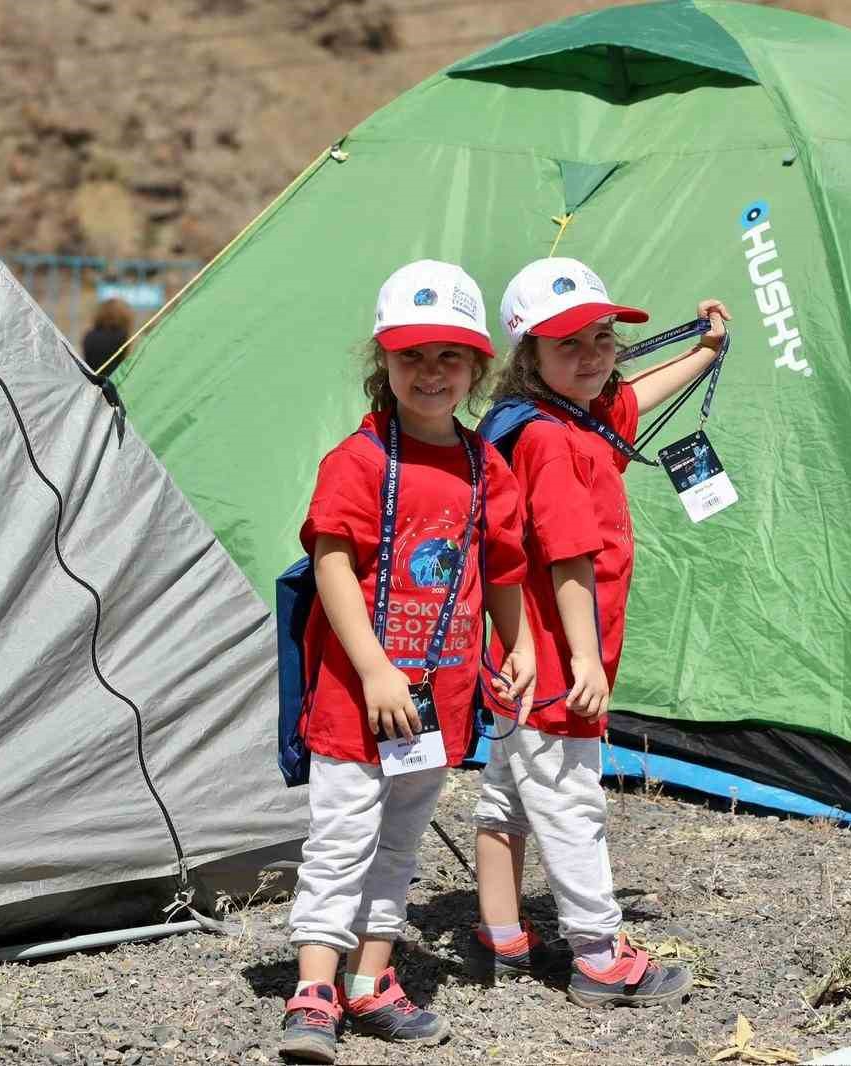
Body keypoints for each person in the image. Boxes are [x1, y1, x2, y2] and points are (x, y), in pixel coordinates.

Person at [278, 260, 536, 1064]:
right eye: (412, 356)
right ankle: (315, 988)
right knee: (341, 838)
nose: (430, 373)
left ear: (476, 370)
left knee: (400, 842)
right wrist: (376, 668)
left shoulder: (485, 468)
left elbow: (501, 571)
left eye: (449, 358)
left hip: (440, 698)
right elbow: (330, 565)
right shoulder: (355, 462)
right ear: (381, 364)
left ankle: (372, 978)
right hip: (358, 701)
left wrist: (518, 646)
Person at [470, 257, 729, 1007]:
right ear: (530, 357)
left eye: (602, 339)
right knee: (570, 798)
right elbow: (567, 556)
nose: (591, 358)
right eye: (568, 345)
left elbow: (627, 400)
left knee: (509, 794)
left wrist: (704, 354)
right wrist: (584, 656)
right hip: (554, 658)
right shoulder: (549, 442)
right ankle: (597, 953)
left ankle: (501, 934)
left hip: (515, 658)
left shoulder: (553, 417)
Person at [80, 298, 132, 373]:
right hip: (112, 379)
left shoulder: (89, 335)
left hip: (91, 378)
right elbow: (123, 362)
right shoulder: (121, 336)